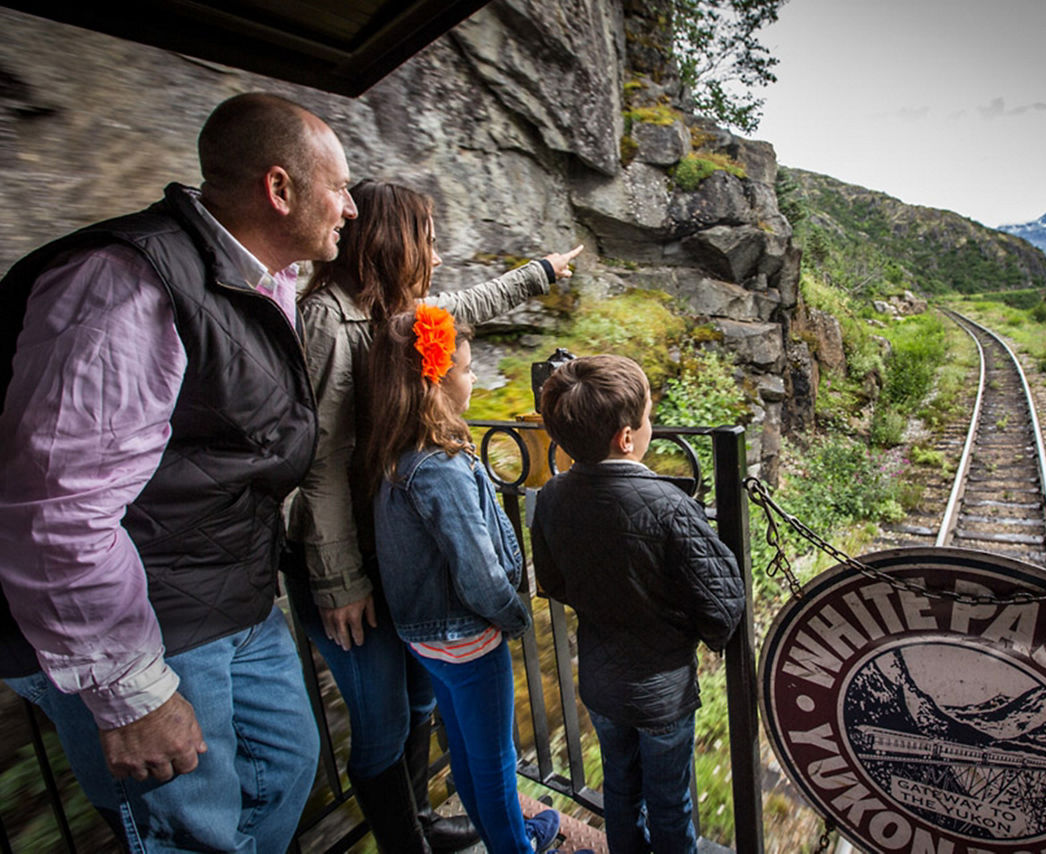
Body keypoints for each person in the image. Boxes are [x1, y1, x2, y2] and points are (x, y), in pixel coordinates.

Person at [0, 91, 356, 851]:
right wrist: (129, 692)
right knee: (192, 830)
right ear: (279, 188)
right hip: (154, 622)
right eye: (340, 186)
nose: (350, 208)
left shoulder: (263, 280)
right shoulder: (127, 285)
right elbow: (58, 507)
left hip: (233, 596)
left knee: (286, 769)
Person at [284, 177, 582, 852]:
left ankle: (418, 820)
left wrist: (541, 273)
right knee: (383, 719)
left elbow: (465, 304)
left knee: (419, 700)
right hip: (347, 562)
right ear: (393, 243)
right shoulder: (329, 322)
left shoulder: (396, 313)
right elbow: (321, 462)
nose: (436, 255)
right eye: (428, 239)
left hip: (393, 551)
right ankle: (403, 842)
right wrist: (340, 582)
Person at [364, 306, 563, 853]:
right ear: (438, 379)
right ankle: (515, 847)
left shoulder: (395, 454)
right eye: (468, 369)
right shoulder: (441, 468)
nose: (473, 378)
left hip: (425, 639)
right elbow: (476, 568)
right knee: (495, 760)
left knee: (469, 752)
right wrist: (514, 616)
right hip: (467, 639)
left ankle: (513, 833)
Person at [530, 355, 746, 854]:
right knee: (671, 802)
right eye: (648, 416)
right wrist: (687, 628)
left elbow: (554, 582)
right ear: (627, 438)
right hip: (661, 691)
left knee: (621, 789)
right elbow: (723, 603)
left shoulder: (552, 497)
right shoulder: (671, 507)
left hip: (601, 682)